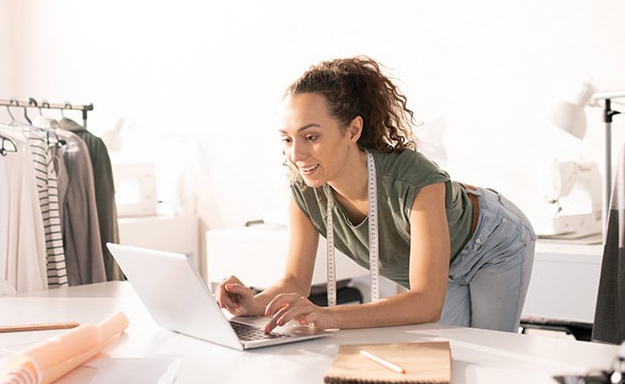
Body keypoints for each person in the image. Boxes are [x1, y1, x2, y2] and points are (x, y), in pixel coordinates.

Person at [215, 56, 536, 333]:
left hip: (491, 243)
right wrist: (255, 304)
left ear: (352, 130)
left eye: (310, 136)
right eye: (287, 139)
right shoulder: (305, 193)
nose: (296, 154)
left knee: (489, 354)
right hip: (439, 272)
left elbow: (426, 302)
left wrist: (327, 316)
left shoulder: (415, 180)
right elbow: (295, 281)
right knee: (450, 356)